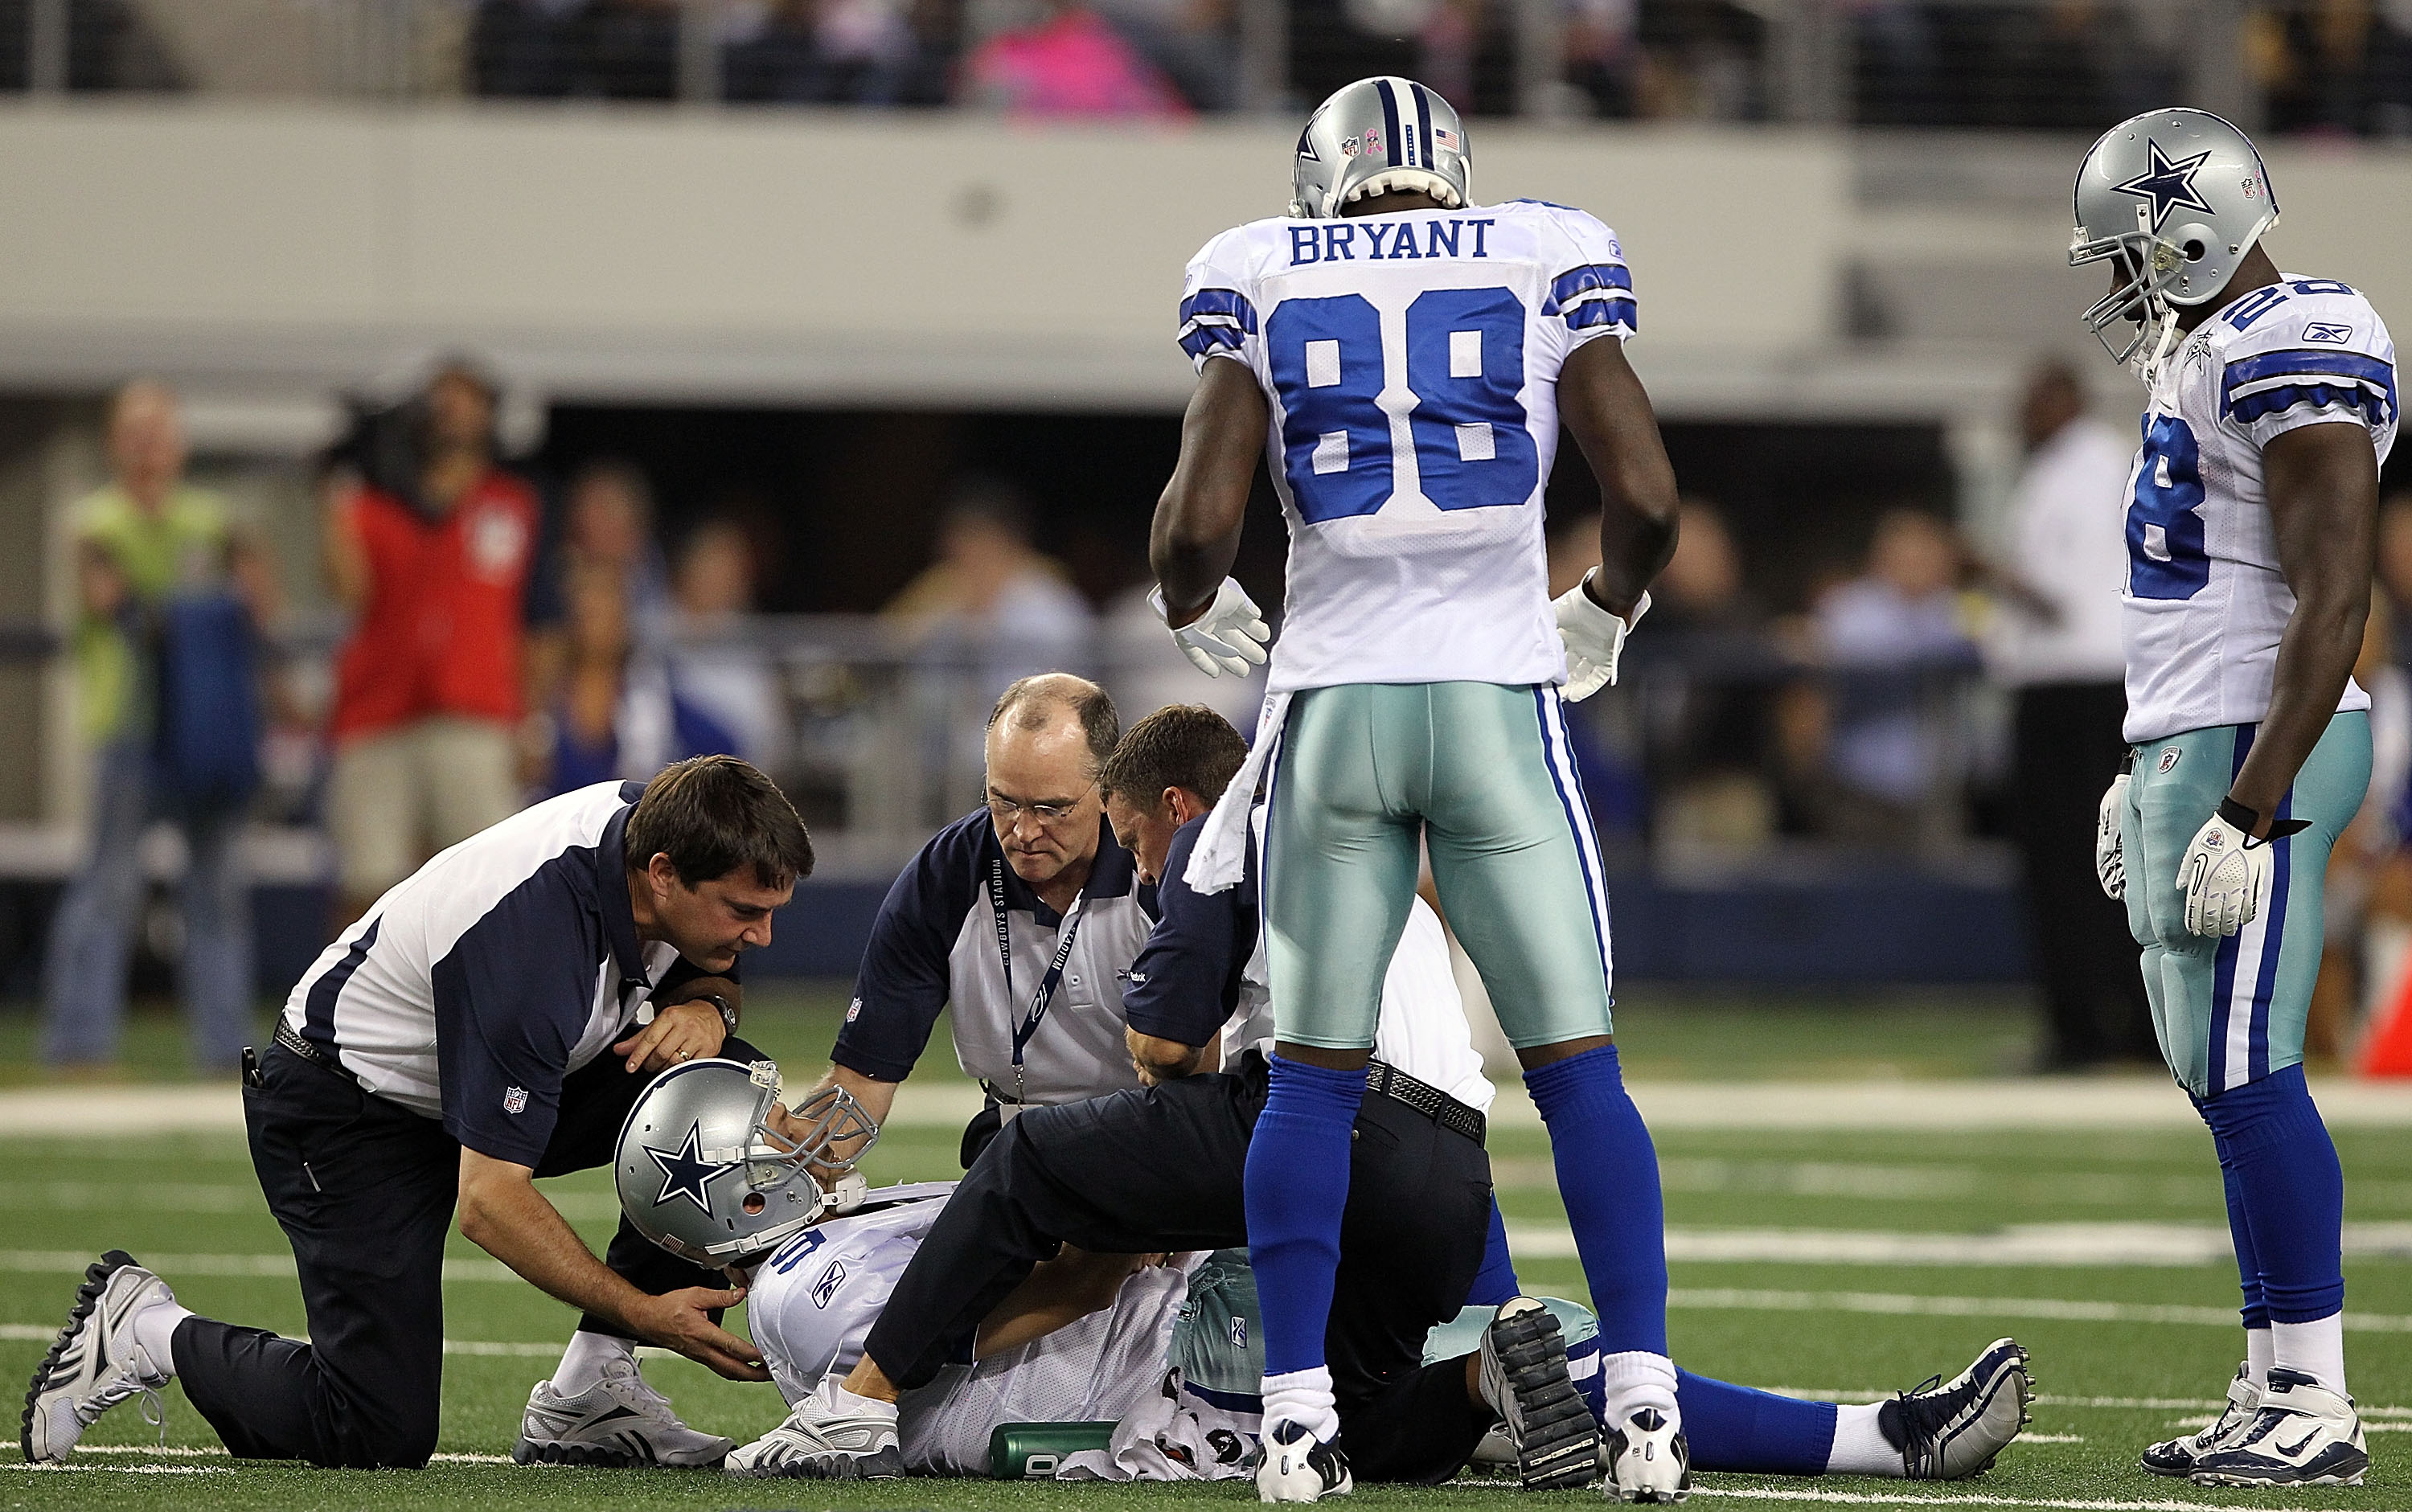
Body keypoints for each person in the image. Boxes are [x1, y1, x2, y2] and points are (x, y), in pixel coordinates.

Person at [691, 704, 2031, 1487]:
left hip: (1302, 1132)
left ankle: (858, 1399)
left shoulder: (1215, 837)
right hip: (1449, 1145)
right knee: (1400, 1396)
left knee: (1037, 1168)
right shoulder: (1368, 808)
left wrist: (1151, 1161)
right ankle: (1861, 1435)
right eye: (1011, 807)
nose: (1044, 834)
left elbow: (1161, 1060)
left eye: (1079, 812)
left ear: (1155, 805)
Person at [1146, 76, 1692, 1501]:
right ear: (1454, 170)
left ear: (1322, 179)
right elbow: (1644, 494)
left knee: (1311, 1090)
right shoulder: (1540, 246)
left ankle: (1294, 1425)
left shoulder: (1255, 266)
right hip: (1495, 701)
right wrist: (1610, 606)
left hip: (1334, 708)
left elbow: (1196, 524)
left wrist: (1189, 600)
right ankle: (1641, 1412)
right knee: (1579, 1075)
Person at [22, 756, 818, 1472]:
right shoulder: (534, 947)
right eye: (746, 911)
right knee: (375, 1431)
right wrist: (645, 1312)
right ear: (662, 875)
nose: (763, 934)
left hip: (460, 1074)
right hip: (344, 1110)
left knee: (725, 1095)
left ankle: (587, 1397)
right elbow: (490, 1203)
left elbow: (713, 968)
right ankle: (146, 1328)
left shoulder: (676, 825)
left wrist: (712, 1009)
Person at [2074, 107, 2396, 1488]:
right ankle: (2268, 1376)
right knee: (2220, 1078)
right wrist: (2144, 765)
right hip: (2196, 736)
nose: (2121, 280)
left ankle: (2316, 1396)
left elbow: (2338, 595)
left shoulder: (2294, 335)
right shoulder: (2202, 351)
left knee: (2257, 1074)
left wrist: (2252, 804)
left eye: (2134, 251)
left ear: (2193, 229)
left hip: (2261, 748)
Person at [813, 674, 1157, 1158]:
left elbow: (1205, 1066)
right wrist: (798, 1170)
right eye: (1004, 802)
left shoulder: (1161, 866)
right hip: (1017, 1147)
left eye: (1051, 808)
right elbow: (862, 1080)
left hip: (1152, 1138)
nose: (1024, 831)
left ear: (1107, 788)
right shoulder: (948, 876)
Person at [43, 379, 275, 1076]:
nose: (147, 444)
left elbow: (258, 604)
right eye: (133, 430)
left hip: (205, 734)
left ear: (179, 443)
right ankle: (81, 1043)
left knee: (216, 890)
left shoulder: (212, 519)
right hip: (131, 727)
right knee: (108, 886)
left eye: (159, 430)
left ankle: (222, 1047)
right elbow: (105, 596)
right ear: (115, 442)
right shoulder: (96, 520)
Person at [1986, 359, 2159, 1069]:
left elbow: (2061, 598)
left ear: (2062, 399)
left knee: (2073, 862)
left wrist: (1979, 569)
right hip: (2096, 683)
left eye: (2032, 400)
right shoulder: (2096, 463)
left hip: (2075, 685)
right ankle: (2127, 1024)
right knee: (2113, 857)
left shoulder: (2081, 469)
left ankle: (2086, 1027)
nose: (2021, 414)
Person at [323, 361, 539, 924]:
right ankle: (346, 1009)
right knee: (368, 886)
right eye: (442, 403)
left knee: (489, 888)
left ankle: (482, 1013)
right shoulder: (376, 505)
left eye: (467, 402)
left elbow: (539, 625)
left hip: (476, 713)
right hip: (379, 710)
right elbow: (348, 591)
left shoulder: (511, 503)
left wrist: (531, 719)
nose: (453, 417)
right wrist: (337, 494)